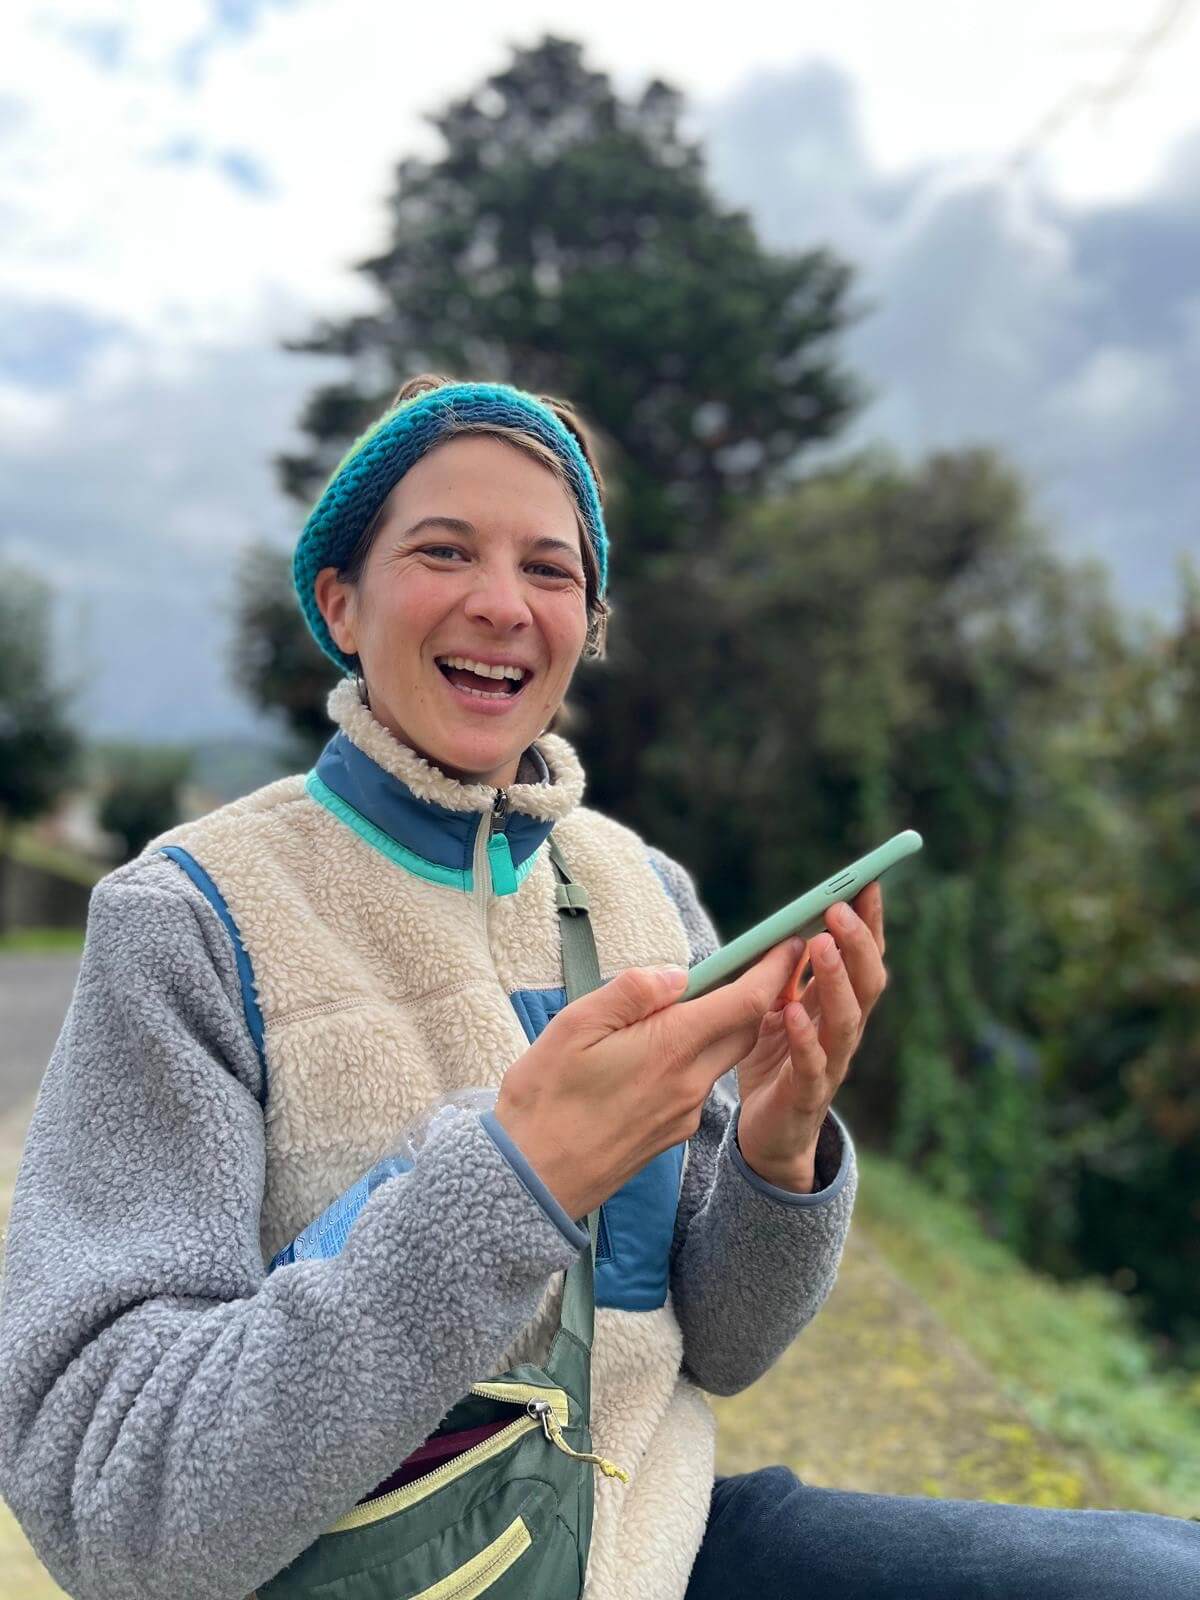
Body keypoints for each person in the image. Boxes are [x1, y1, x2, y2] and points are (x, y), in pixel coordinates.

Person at [0, 376, 1194, 1600]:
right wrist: (517, 1176)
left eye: (550, 569)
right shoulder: (192, 917)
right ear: (340, 601)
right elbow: (117, 1514)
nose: (502, 602)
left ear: (590, 624)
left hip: (652, 1540)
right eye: (444, 550)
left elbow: (720, 1346)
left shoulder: (642, 893)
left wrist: (779, 1150)